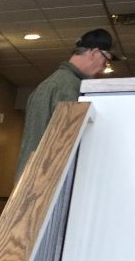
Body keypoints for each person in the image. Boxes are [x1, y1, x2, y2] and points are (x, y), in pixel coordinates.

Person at [15, 28, 118, 178]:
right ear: (95, 53)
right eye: (106, 60)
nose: (103, 68)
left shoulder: (55, 83)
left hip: (33, 179)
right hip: (45, 181)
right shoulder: (69, 88)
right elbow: (63, 145)